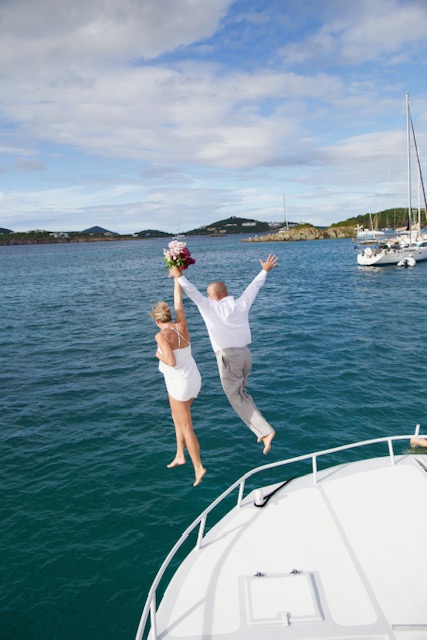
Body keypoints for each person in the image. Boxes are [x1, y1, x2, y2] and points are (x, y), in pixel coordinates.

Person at [169, 254, 279, 454]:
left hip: (229, 357)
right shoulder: (240, 303)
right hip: (246, 355)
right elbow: (253, 287)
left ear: (217, 295)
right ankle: (261, 431)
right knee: (242, 394)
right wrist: (264, 270)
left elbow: (193, 293)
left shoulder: (211, 307)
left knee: (234, 396)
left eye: (209, 294)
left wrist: (179, 276)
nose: (207, 296)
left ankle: (266, 431)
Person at [151, 277, 206, 487]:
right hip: (193, 379)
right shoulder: (181, 325)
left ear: (156, 321)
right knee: (177, 418)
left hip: (180, 384)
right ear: (169, 316)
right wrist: (176, 278)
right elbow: (179, 303)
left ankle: (198, 466)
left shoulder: (161, 336)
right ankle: (179, 454)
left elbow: (171, 361)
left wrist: (158, 355)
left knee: (186, 426)